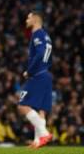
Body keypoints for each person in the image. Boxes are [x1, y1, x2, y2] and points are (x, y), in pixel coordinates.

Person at [18, 10, 53, 149]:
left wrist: (29, 71)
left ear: (35, 20)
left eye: (28, 18)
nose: (26, 20)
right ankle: (38, 141)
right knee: (40, 110)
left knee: (22, 106)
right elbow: (48, 56)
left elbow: (40, 53)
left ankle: (44, 133)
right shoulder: (46, 36)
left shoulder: (37, 35)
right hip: (46, 74)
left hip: (37, 75)